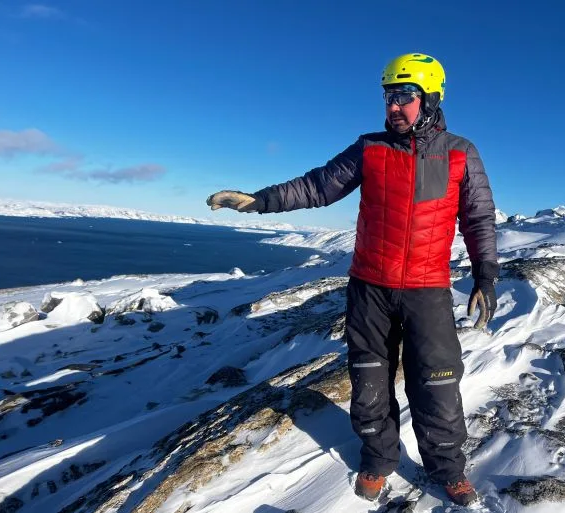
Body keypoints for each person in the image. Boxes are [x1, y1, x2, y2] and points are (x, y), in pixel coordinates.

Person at [206, 52, 498, 507]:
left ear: (431, 99)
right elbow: (318, 186)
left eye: (404, 97)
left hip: (428, 292)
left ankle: (446, 469)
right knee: (368, 383)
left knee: (438, 384)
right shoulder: (370, 148)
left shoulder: (461, 153)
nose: (393, 108)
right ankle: (379, 460)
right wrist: (258, 201)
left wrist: (486, 275)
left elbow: (478, 219)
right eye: (388, 98)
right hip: (370, 290)